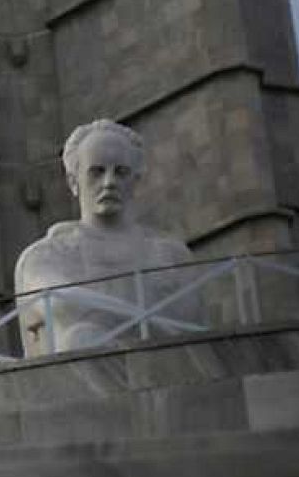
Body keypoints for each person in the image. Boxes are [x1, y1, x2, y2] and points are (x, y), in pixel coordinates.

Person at [14, 120, 196, 356]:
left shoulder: (172, 256)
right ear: (73, 181)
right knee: (80, 337)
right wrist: (152, 325)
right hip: (81, 375)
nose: (109, 182)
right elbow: (63, 303)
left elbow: (192, 338)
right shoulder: (45, 256)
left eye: (120, 172)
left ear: (135, 180)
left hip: (169, 369)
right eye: (97, 172)